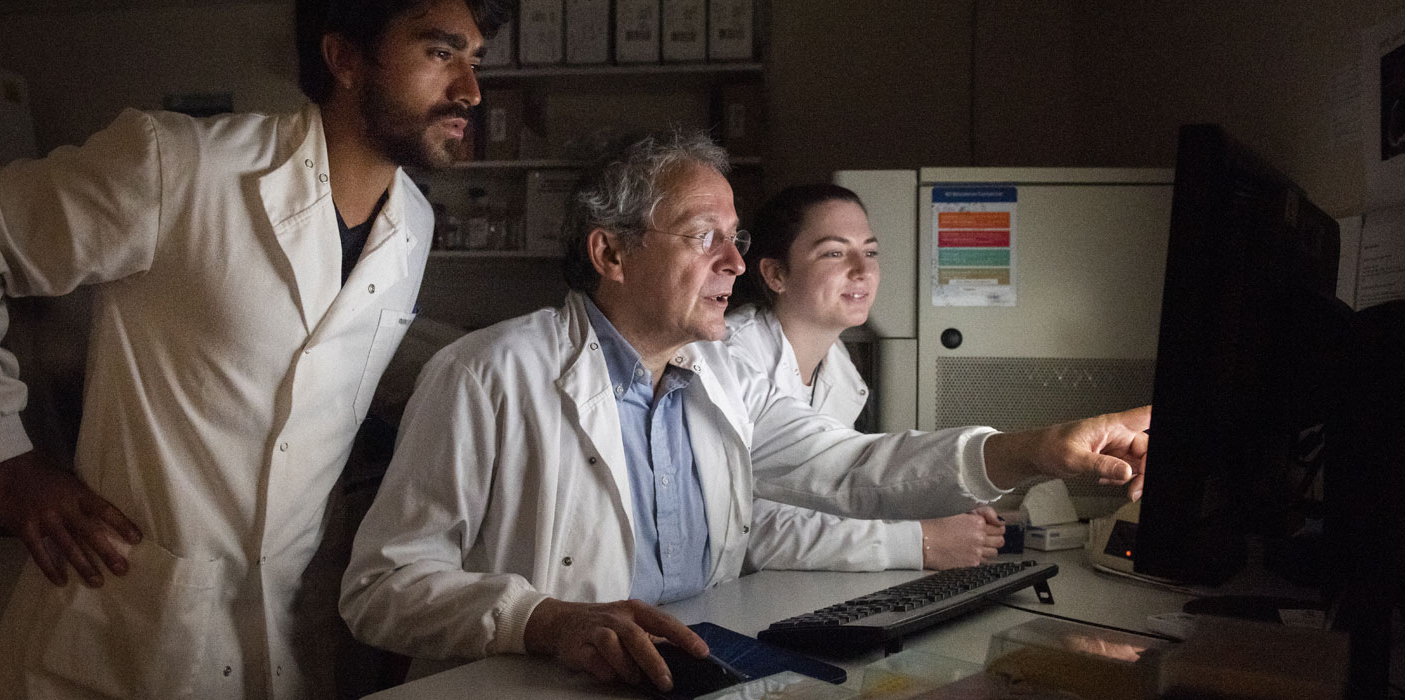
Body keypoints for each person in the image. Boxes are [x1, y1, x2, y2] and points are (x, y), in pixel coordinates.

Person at [338, 130, 1150, 694]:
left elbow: (851, 466)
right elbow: (382, 587)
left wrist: (1036, 448)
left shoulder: (719, 380)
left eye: (735, 237)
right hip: (528, 684)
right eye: (704, 237)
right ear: (610, 253)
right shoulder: (488, 375)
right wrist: (544, 621)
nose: (734, 262)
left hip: (698, 672)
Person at [0, 0, 512, 697]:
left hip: (284, 640)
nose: (470, 92)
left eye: (474, 61)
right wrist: (6, 461)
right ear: (345, 59)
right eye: (440, 54)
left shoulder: (412, 224)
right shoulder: (180, 168)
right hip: (126, 633)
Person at [727, 184, 1004, 573]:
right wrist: (921, 541)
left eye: (870, 252)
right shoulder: (731, 359)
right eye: (835, 252)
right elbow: (743, 532)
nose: (862, 270)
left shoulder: (839, 367)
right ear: (775, 274)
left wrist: (938, 501)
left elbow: (842, 493)